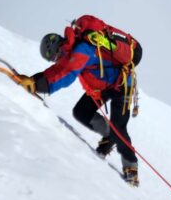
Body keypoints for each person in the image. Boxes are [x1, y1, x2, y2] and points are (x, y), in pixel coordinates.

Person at [19, 30, 140, 187]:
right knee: (81, 112)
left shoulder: (83, 49)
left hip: (122, 84)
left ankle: (131, 166)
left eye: (56, 56)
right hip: (103, 86)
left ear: (59, 46)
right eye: (54, 59)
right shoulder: (69, 53)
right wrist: (33, 80)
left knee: (119, 126)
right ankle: (110, 136)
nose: (57, 59)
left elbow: (67, 74)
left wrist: (36, 85)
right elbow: (59, 70)